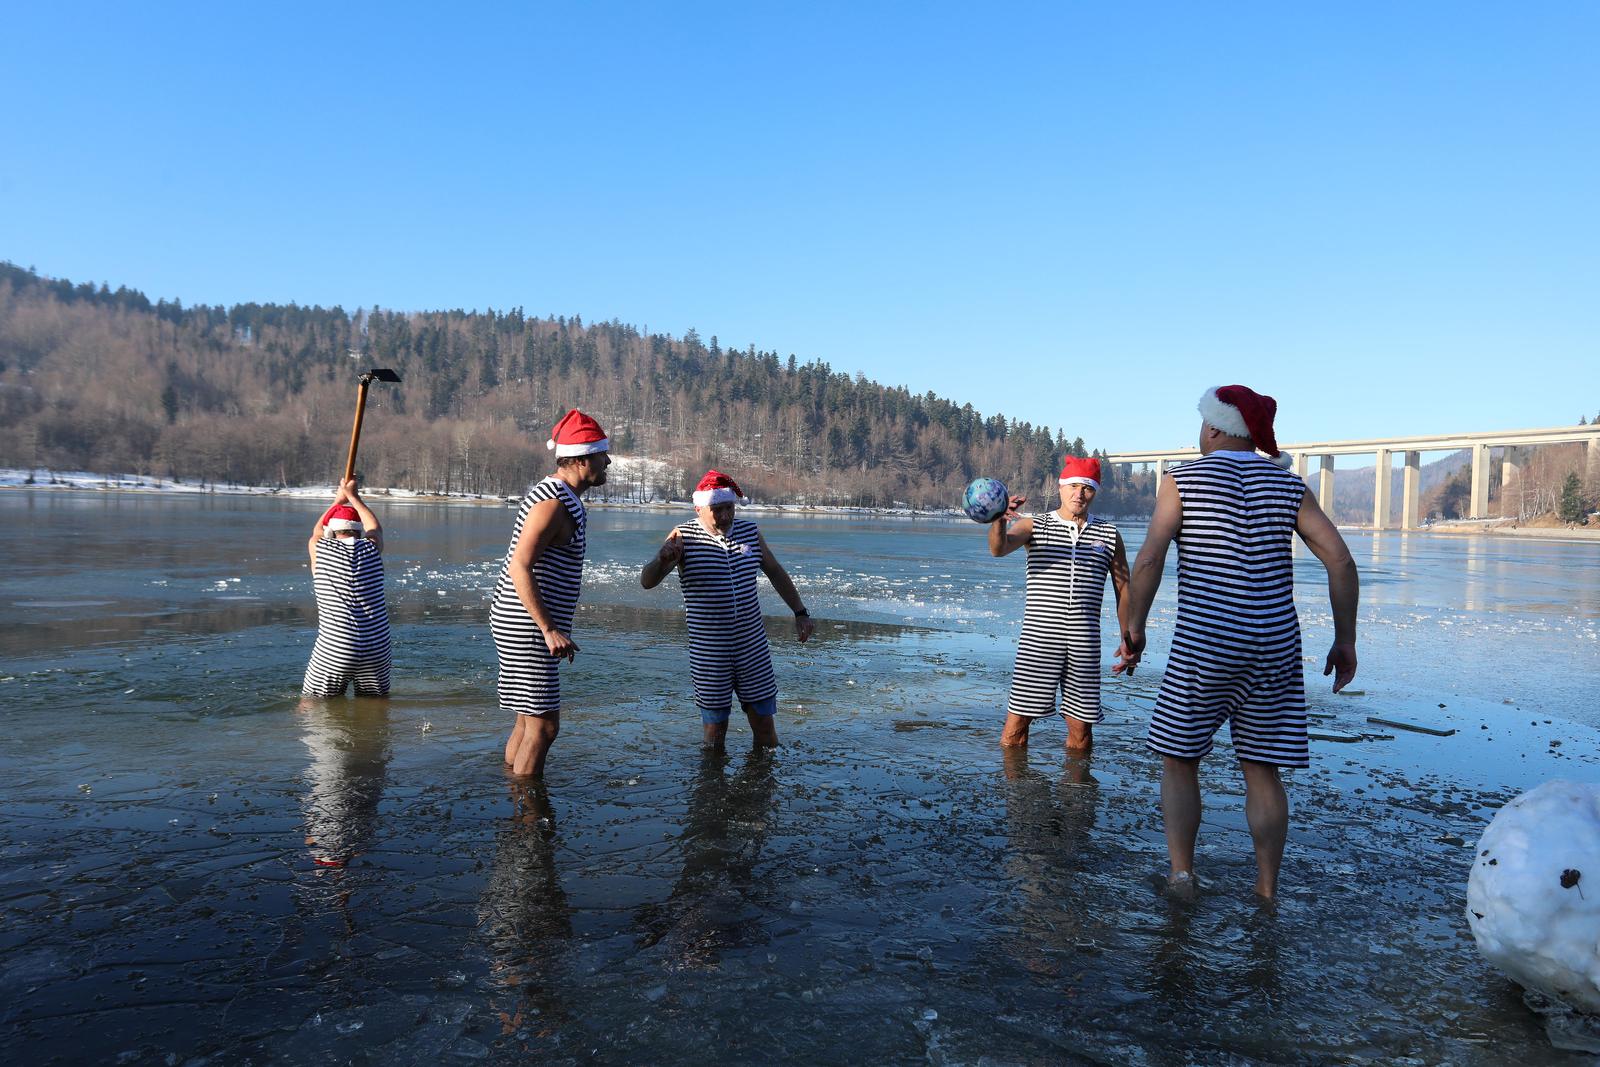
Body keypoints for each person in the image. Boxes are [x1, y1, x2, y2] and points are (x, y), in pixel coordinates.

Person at [1117, 385, 1359, 901]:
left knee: (1180, 760)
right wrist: (1345, 640)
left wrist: (1134, 629)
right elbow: (1340, 560)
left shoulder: (1181, 479)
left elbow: (1149, 560)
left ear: (1212, 427)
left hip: (1205, 642)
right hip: (1273, 644)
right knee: (1262, 768)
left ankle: (1182, 875)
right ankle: (1267, 889)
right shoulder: (1286, 484)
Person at [639, 470, 814, 750]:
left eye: (728, 508)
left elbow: (775, 572)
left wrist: (800, 612)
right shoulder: (683, 536)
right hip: (710, 650)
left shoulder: (750, 533)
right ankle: (712, 789)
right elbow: (647, 582)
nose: (724, 516)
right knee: (715, 732)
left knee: (765, 728)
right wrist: (661, 560)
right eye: (716, 509)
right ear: (699, 508)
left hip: (751, 645)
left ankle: (764, 787)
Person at [490, 409, 611, 777]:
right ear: (579, 459)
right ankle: (529, 819)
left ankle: (513, 789)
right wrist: (547, 629)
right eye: (601, 455)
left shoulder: (562, 497)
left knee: (529, 721)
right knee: (544, 727)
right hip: (526, 625)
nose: (607, 461)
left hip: (520, 620)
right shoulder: (553, 502)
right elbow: (519, 566)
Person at [988, 456, 1131, 754]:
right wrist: (999, 520)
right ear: (1061, 487)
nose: (1079, 494)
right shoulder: (1034, 526)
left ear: (1095, 492)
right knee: (1015, 731)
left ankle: (1076, 798)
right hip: (1039, 640)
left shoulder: (1109, 535)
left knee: (1081, 736)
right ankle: (1017, 796)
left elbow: (1123, 587)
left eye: (1087, 488)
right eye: (1073, 486)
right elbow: (998, 548)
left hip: (1084, 643)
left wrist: (1128, 636)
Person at [302, 478, 391, 698]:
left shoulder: (321, 549)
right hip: (377, 647)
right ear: (359, 533)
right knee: (375, 707)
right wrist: (354, 497)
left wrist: (338, 499)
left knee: (312, 705)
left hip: (336, 647)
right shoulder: (371, 549)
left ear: (331, 532)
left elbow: (316, 532)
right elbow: (376, 529)